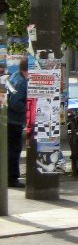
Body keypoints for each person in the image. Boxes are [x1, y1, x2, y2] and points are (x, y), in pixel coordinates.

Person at [6, 59, 29, 188]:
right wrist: (28, 109)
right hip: (14, 121)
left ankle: (10, 176)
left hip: (10, 120)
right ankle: (12, 178)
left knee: (11, 150)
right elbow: (15, 103)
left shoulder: (15, 76)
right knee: (14, 151)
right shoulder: (21, 82)